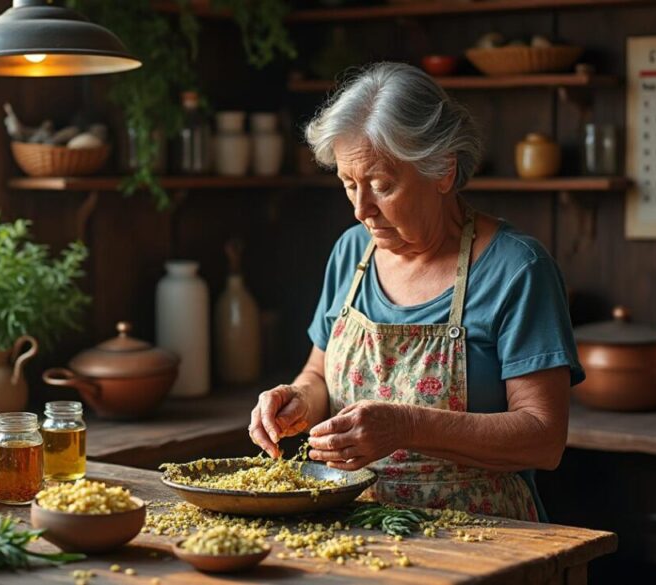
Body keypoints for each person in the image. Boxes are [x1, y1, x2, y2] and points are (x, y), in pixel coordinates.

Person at [248, 62, 583, 521]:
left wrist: (405, 426)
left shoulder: (517, 269)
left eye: (382, 186)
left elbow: (543, 438)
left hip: (482, 533)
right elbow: (319, 373)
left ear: (443, 170)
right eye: (349, 184)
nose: (361, 210)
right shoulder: (352, 253)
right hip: (353, 522)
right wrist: (297, 401)